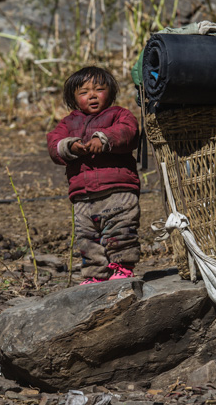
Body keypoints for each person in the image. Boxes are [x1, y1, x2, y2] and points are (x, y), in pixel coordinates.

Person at [47, 66, 141, 285]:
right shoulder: (67, 123)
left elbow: (128, 132)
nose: (92, 95)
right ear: (73, 98)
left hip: (118, 190)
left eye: (99, 89)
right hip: (83, 195)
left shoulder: (119, 115)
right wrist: (70, 146)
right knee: (87, 236)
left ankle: (123, 267)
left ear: (110, 93)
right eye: (83, 92)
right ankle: (95, 274)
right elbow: (53, 145)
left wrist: (104, 139)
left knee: (120, 229)